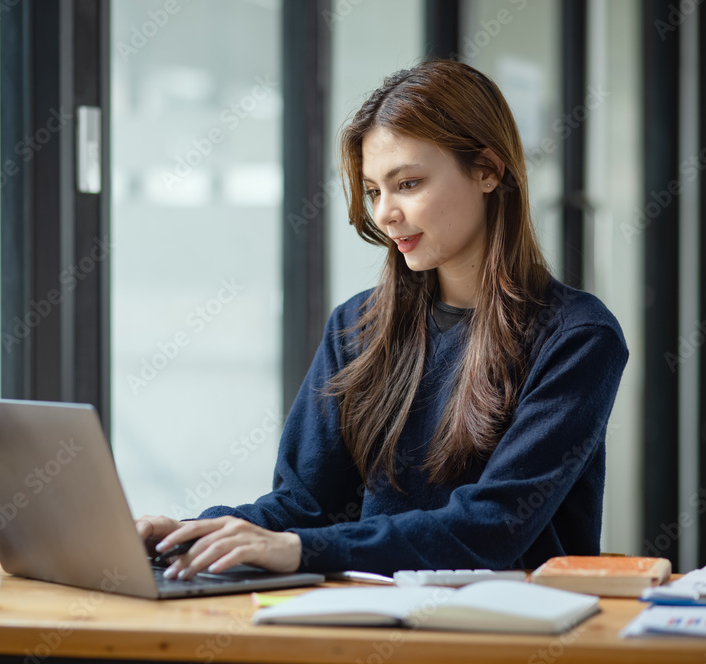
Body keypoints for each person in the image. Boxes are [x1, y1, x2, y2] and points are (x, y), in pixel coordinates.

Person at [136, 59, 628, 579]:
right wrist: (188, 533)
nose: (384, 213)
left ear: (488, 170)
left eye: (408, 183)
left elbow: (492, 527)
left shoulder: (579, 337)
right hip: (365, 623)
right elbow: (301, 507)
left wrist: (304, 551)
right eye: (373, 191)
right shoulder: (357, 327)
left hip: (506, 637)